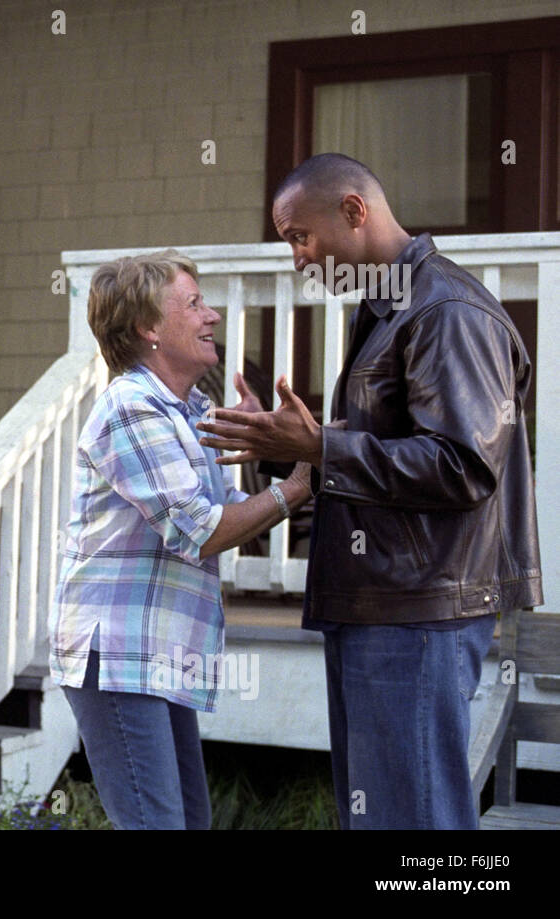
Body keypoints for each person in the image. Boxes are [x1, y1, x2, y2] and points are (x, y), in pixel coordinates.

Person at [197, 152, 543, 829]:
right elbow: (384, 459)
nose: (296, 257)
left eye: (300, 235)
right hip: (380, 605)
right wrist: (291, 452)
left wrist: (321, 445)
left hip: (417, 611)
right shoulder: (390, 309)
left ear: (354, 211)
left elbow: (462, 466)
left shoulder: (446, 310)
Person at [50, 249, 313, 829]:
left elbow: (228, 514)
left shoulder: (186, 410)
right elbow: (200, 532)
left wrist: (267, 449)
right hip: (119, 656)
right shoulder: (132, 409)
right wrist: (296, 486)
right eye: (193, 304)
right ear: (148, 327)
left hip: (160, 654)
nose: (212, 315)